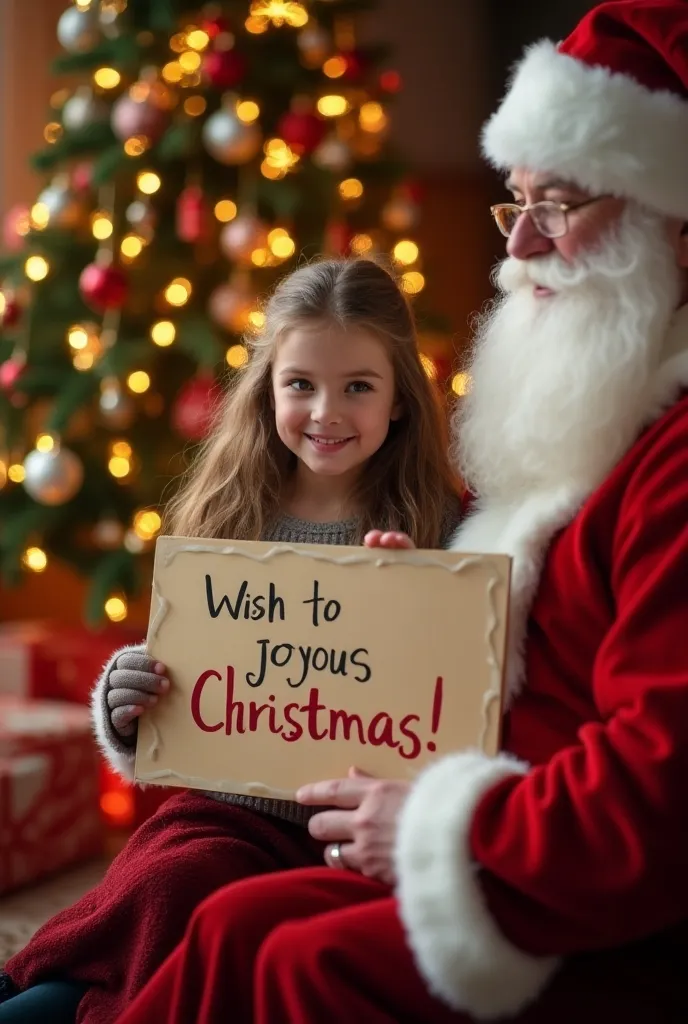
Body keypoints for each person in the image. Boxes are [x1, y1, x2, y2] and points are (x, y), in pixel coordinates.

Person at [113, 2, 688, 1022]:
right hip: (509, 835)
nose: (522, 243)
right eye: (514, 202)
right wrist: (407, 624)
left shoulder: (670, 456)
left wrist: (444, 823)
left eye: (559, 202)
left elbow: (659, 781)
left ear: (673, 223)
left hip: (578, 890)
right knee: (225, 919)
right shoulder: (594, 419)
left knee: (298, 958)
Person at [0, 256, 461, 1024]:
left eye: (358, 386)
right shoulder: (232, 513)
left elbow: (467, 691)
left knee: (220, 917)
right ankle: (43, 993)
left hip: (350, 830)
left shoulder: (438, 524)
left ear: (401, 398)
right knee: (168, 877)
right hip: (227, 811)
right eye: (301, 385)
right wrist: (126, 700)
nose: (326, 411)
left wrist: (420, 601)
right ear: (269, 387)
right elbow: (180, 691)